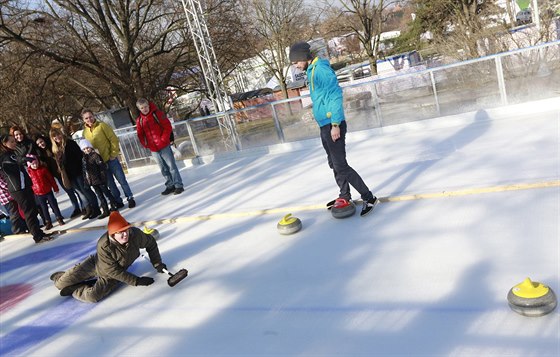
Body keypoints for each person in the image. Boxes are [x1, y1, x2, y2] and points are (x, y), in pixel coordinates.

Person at [289, 41, 378, 216]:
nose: (295, 66)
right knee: (334, 163)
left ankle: (368, 197)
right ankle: (344, 195)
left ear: (302, 57)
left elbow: (335, 95)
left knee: (341, 165)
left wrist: (335, 124)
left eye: (295, 62)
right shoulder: (311, 70)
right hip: (324, 124)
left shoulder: (321, 70)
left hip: (332, 124)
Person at [50, 211, 167, 302]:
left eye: (126, 230)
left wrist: (157, 263)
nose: (125, 234)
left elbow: (151, 243)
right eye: (120, 232)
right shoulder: (104, 245)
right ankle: (61, 277)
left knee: (93, 297)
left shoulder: (135, 235)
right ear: (113, 234)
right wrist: (136, 280)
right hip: (96, 264)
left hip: (114, 272)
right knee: (59, 284)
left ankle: (76, 288)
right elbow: (110, 270)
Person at [0, 135, 53, 243]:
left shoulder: (11, 154)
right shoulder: (6, 156)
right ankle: (37, 236)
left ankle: (38, 232)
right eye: (11, 142)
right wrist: (26, 158)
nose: (14, 143)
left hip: (24, 186)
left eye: (14, 141)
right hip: (18, 189)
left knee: (33, 210)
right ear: (5, 144)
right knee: (29, 212)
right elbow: (18, 160)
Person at [81, 109, 136, 209]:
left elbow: (113, 139)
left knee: (121, 180)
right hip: (100, 163)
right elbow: (86, 148)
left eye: (90, 116)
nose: (89, 119)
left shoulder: (102, 126)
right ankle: (118, 201)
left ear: (93, 116)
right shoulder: (85, 133)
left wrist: (113, 153)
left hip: (111, 158)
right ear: (83, 120)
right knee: (110, 183)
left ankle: (130, 197)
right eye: (86, 118)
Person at [135, 98, 184, 195]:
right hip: (153, 149)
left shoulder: (157, 114)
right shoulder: (139, 120)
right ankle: (170, 185)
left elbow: (167, 126)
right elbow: (140, 134)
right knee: (163, 168)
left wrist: (163, 139)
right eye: (142, 108)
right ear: (139, 109)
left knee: (171, 166)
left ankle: (178, 185)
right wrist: (146, 144)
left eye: (145, 107)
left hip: (164, 145)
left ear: (148, 105)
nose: (144, 109)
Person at [50, 128, 101, 220]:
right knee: (80, 193)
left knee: (86, 190)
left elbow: (79, 156)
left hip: (78, 172)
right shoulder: (56, 149)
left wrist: (82, 169)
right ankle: (88, 209)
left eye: (58, 134)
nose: (57, 137)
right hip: (69, 175)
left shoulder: (69, 143)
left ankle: (96, 208)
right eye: (54, 136)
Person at [35, 134, 82, 218]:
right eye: (38, 144)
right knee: (69, 192)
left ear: (44, 140)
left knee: (77, 190)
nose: (40, 144)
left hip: (66, 172)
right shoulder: (42, 154)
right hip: (58, 176)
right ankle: (76, 208)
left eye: (41, 142)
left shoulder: (53, 147)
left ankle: (85, 206)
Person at [80, 139, 118, 219]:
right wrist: (87, 181)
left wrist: (103, 178)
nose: (86, 150)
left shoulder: (95, 155)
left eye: (87, 148)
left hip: (100, 180)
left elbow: (102, 167)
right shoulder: (84, 159)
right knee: (100, 196)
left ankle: (114, 205)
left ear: (90, 147)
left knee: (107, 193)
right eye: (84, 149)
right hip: (93, 182)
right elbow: (85, 171)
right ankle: (105, 210)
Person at [26, 154, 65, 230]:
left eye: (36, 163)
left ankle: (59, 218)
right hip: (38, 194)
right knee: (44, 208)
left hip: (48, 191)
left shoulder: (43, 169)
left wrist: (55, 188)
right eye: (33, 164)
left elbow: (51, 179)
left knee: (54, 205)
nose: (35, 165)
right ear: (30, 165)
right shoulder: (29, 173)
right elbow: (29, 184)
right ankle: (48, 222)